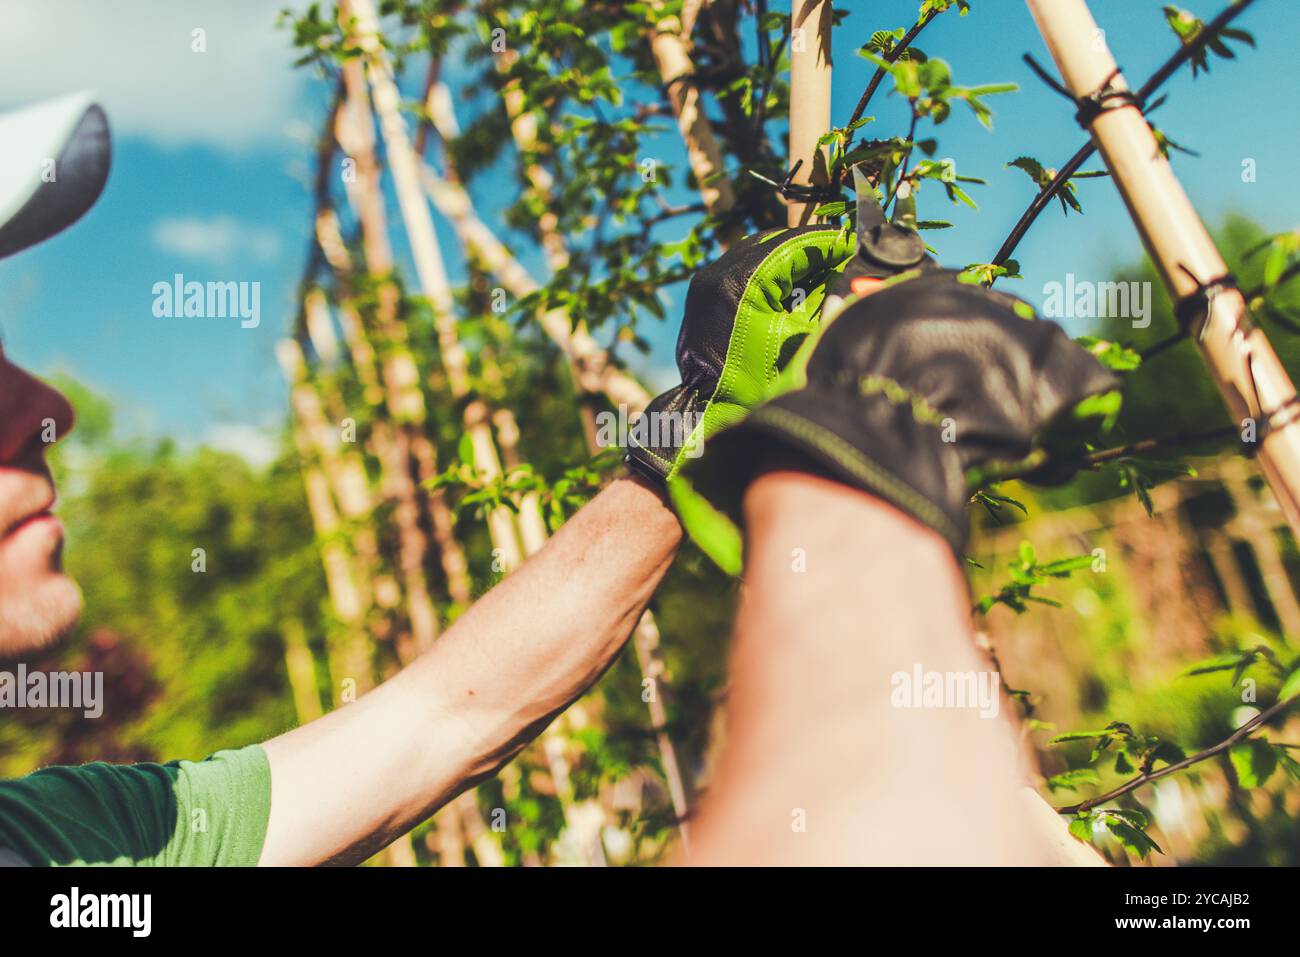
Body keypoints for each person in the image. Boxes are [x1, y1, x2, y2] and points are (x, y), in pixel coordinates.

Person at [1, 93, 1112, 867]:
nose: (48, 407)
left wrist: (692, 435)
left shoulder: (74, 846)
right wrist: (864, 469)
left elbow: (436, 720)